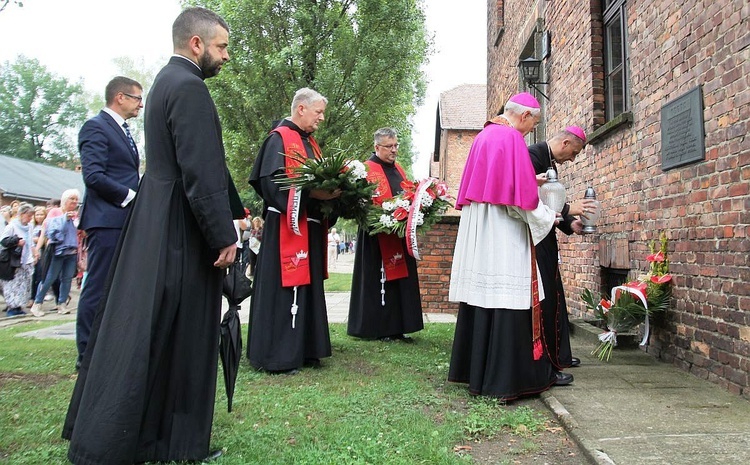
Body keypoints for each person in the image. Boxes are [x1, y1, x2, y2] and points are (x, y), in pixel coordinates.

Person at [63, 7, 243, 464]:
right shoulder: (189, 87)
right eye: (221, 46)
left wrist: (234, 210)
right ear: (196, 44)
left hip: (157, 219)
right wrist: (222, 235)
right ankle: (176, 442)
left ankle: (150, 435)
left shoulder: (164, 81)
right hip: (179, 226)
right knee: (184, 331)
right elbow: (200, 172)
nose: (225, 56)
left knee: (151, 327)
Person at [447, 92, 567, 400]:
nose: (532, 131)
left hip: (482, 230)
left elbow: (503, 184)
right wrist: (549, 216)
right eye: (534, 124)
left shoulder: (484, 136)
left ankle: (475, 374)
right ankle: (506, 380)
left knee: (485, 297)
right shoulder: (512, 139)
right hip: (503, 234)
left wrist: (528, 179)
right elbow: (519, 203)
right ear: (524, 116)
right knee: (509, 295)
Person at [247, 87, 340, 374]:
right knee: (283, 289)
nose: (322, 118)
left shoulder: (312, 144)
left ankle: (307, 348)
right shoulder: (279, 139)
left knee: (308, 286)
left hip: (309, 228)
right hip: (285, 227)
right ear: (301, 108)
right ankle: (277, 354)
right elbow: (271, 183)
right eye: (318, 112)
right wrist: (314, 196)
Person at [74, 76, 143, 369]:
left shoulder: (124, 131)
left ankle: (109, 346)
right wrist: (131, 196)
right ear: (120, 97)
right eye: (137, 98)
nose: (141, 104)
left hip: (123, 220)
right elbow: (93, 175)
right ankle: (87, 354)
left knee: (117, 287)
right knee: (98, 286)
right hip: (106, 220)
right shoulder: (96, 127)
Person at [529, 127, 595, 381]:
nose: (573, 159)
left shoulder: (548, 161)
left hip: (546, 236)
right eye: (574, 153)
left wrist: (570, 223)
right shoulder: (533, 155)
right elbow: (531, 198)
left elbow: (550, 205)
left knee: (555, 295)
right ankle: (546, 359)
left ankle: (559, 354)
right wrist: (571, 208)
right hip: (535, 239)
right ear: (566, 142)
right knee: (545, 296)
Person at [347, 128, 424, 342]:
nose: (394, 150)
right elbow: (357, 201)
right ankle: (377, 327)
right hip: (375, 236)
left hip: (397, 234)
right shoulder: (365, 169)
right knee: (378, 281)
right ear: (377, 147)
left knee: (398, 283)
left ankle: (397, 326)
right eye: (389, 147)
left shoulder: (399, 168)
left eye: (396, 145)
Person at [30, 189, 80, 317]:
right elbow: (50, 231)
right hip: (56, 251)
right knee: (49, 278)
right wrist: (64, 218)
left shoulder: (76, 215)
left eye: (76, 199)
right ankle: (37, 303)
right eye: (72, 199)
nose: (74, 201)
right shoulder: (55, 212)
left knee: (67, 278)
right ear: (64, 200)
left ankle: (62, 304)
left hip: (72, 252)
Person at [1, 203, 37, 317]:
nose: (30, 218)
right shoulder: (11, 226)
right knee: (12, 285)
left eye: (31, 216)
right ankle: (12, 307)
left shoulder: (30, 226)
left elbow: (30, 241)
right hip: (14, 260)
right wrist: (16, 241)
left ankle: (19, 306)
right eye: (28, 215)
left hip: (26, 259)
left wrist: (34, 252)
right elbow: (3, 241)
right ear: (21, 214)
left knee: (23, 285)